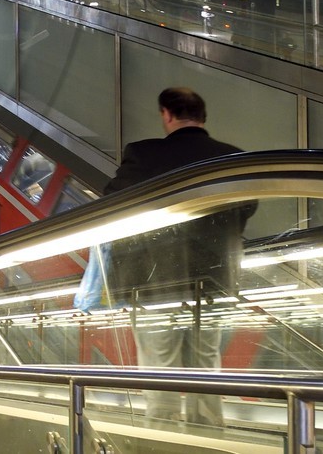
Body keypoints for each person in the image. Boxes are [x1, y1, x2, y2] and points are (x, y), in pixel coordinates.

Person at [104, 86, 254, 427]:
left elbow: (110, 202)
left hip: (157, 286)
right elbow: (248, 206)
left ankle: (163, 439)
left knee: (161, 370)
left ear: (166, 114)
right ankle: (209, 440)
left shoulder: (143, 155)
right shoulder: (232, 157)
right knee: (206, 367)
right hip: (215, 285)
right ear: (203, 117)